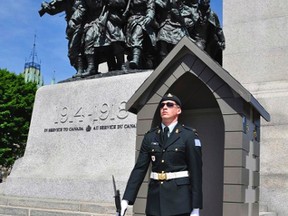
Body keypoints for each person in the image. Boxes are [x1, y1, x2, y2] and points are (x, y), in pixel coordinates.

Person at [121, 93, 203, 216]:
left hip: (179, 202)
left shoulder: (188, 136)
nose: (165, 107)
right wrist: (126, 199)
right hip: (155, 201)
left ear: (178, 110)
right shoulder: (150, 136)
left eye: (170, 105)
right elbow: (139, 169)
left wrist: (196, 207)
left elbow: (196, 172)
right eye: (162, 105)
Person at [189, 0, 225, 65]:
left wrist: (222, 41)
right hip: (190, 37)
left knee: (202, 53)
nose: (205, 1)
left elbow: (218, 29)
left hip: (202, 40)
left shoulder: (212, 15)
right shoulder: (193, 10)